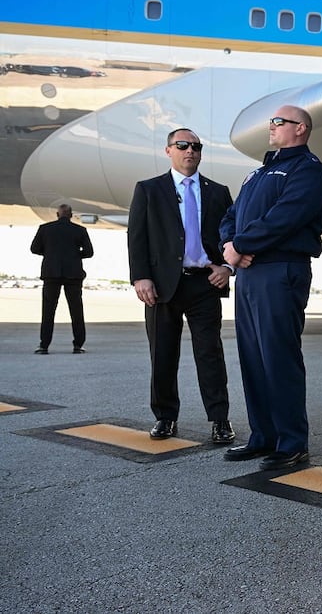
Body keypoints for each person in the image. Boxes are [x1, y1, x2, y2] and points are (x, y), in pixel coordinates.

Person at [220, 105, 322, 471]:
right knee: (253, 359)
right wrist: (229, 246)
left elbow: (285, 218)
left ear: (300, 129)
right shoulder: (258, 172)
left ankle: (291, 442)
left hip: (281, 271)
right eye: (272, 122)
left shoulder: (308, 170)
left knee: (279, 357)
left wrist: (241, 246)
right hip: (250, 273)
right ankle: (262, 436)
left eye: (278, 122)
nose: (271, 127)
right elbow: (232, 216)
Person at [127, 128, 236, 444]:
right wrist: (140, 276)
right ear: (168, 150)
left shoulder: (218, 192)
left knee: (210, 354)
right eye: (183, 145)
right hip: (161, 287)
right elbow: (137, 237)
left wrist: (227, 267)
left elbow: (228, 235)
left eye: (196, 147)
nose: (190, 151)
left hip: (204, 284)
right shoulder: (149, 190)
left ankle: (219, 420)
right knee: (162, 354)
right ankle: (165, 417)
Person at [30, 204, 93, 355]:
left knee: (48, 310)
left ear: (57, 215)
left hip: (51, 274)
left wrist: (50, 254)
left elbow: (34, 249)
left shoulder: (45, 229)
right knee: (76, 310)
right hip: (73, 274)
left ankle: (44, 345)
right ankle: (78, 345)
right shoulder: (80, 230)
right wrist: (75, 255)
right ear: (71, 215)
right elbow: (89, 252)